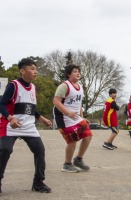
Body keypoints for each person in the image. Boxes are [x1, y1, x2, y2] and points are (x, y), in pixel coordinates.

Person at [0, 58, 52, 193]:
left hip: (28, 126)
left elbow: (30, 107)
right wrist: (10, 118)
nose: (36, 72)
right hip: (11, 125)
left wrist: (41, 118)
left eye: (36, 69)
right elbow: (1, 104)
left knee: (40, 151)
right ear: (22, 71)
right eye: (32, 69)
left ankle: (38, 183)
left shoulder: (33, 87)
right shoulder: (14, 85)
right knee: (5, 150)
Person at [53, 64, 92, 173]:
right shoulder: (64, 86)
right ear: (68, 74)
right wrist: (67, 112)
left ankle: (78, 159)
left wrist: (82, 118)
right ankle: (67, 164)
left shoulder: (80, 87)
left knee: (88, 135)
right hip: (63, 117)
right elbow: (56, 101)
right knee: (72, 140)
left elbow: (78, 104)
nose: (78, 73)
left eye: (78, 71)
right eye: (75, 71)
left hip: (75, 117)